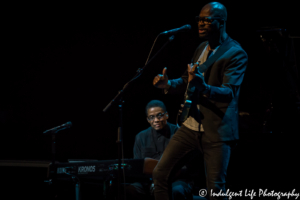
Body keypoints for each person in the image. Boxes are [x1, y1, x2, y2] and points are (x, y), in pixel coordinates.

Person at [152, 2, 248, 200]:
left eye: (207, 20)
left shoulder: (236, 53)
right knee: (160, 174)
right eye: (199, 19)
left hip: (216, 130)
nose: (201, 24)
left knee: (215, 191)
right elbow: (188, 80)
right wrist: (168, 84)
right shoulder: (201, 48)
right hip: (190, 126)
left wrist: (204, 88)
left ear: (221, 23)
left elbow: (229, 93)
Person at [126, 100, 194, 200]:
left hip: (176, 179)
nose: (156, 120)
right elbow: (139, 166)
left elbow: (186, 166)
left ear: (166, 115)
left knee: (176, 191)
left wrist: (161, 182)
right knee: (132, 189)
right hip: (149, 181)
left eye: (159, 115)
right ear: (147, 119)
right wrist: (153, 182)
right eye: (151, 117)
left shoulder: (179, 133)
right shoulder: (141, 137)